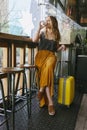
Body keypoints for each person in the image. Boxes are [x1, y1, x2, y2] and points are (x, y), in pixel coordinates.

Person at [33, 15, 66, 116]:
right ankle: (50, 103)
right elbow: (34, 40)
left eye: (49, 20)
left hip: (51, 56)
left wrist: (61, 47)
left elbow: (55, 49)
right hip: (40, 57)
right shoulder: (42, 31)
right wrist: (39, 27)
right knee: (48, 76)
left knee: (48, 68)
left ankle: (41, 89)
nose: (47, 22)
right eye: (46, 20)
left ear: (53, 22)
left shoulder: (56, 34)